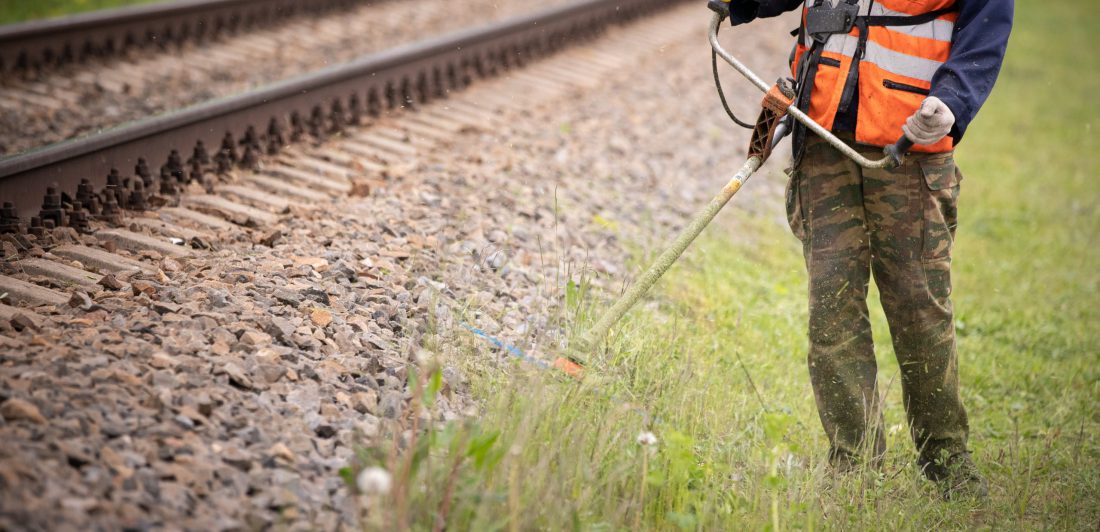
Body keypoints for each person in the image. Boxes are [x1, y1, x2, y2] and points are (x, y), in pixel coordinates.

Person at [714, 0, 1013, 499]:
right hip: (823, 134)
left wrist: (955, 99)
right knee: (832, 310)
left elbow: (987, 23)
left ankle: (945, 460)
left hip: (910, 145)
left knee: (919, 310)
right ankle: (854, 464)